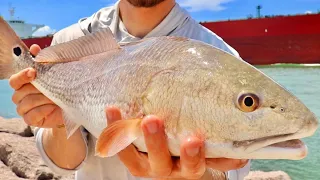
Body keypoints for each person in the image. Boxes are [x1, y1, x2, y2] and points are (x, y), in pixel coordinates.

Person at [8, 0, 251, 179]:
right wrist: (60, 119)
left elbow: (233, 170)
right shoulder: (69, 39)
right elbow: (62, 164)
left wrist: (192, 174)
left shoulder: (223, 59)